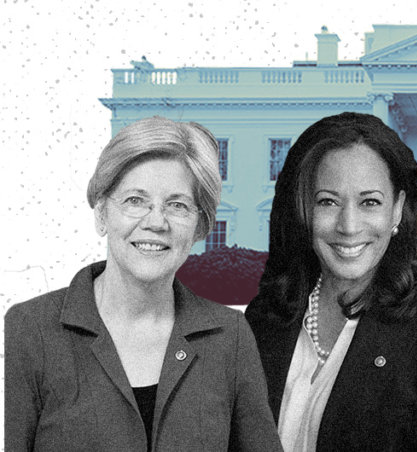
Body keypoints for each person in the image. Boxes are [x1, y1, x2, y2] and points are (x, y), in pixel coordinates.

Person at [4, 117, 281, 451]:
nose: (156, 222)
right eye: (135, 200)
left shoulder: (230, 337)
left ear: (199, 228)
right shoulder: (29, 330)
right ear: (102, 213)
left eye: (177, 205)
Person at [244, 112, 417, 451]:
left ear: (397, 209)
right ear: (302, 209)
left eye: (370, 202)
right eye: (328, 201)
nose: (349, 226)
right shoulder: (264, 317)